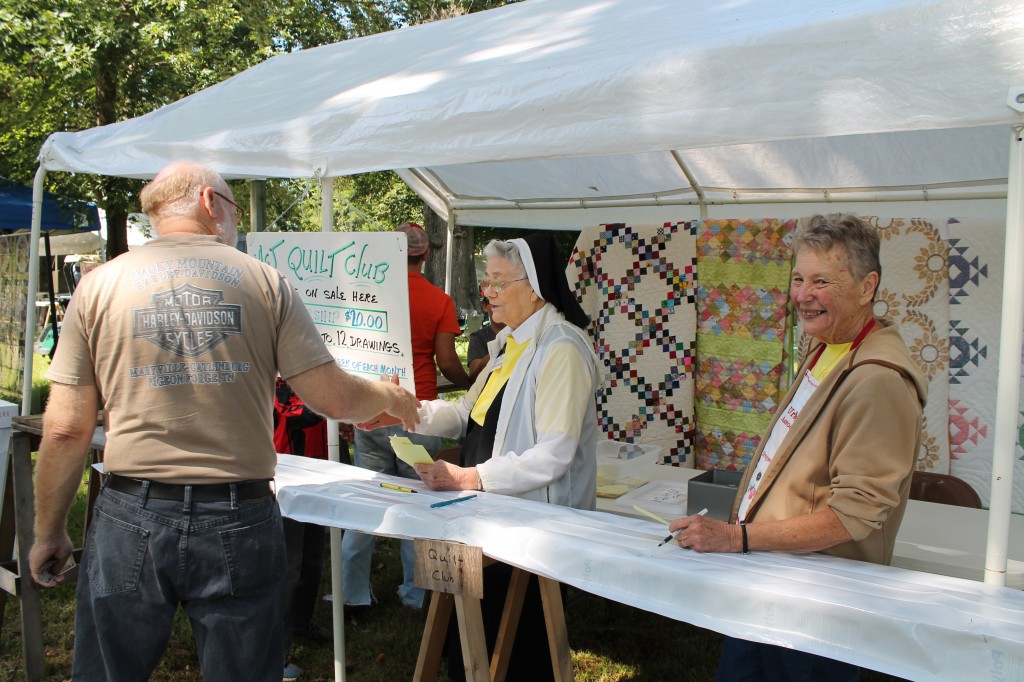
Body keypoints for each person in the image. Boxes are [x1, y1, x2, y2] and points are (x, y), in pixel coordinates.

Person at [27, 162, 420, 682]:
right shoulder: (264, 281)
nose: (232, 217)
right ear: (211, 202)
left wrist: (47, 531)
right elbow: (334, 398)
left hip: (130, 511)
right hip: (238, 513)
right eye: (232, 206)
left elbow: (65, 429)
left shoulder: (99, 285)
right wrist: (388, 394)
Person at [668, 213, 927, 682]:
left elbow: (855, 514)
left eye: (822, 281)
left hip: (816, 608)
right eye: (799, 279)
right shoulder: (829, 350)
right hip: (774, 587)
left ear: (868, 287)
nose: (804, 295)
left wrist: (736, 537)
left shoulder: (878, 381)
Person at [362, 234, 599, 681]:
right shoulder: (509, 344)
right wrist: (402, 409)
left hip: (531, 529)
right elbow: (464, 414)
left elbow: (555, 453)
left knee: (519, 654)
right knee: (471, 646)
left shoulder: (561, 348)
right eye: (485, 281)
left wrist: (471, 477)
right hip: (486, 516)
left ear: (534, 287)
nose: (486, 292)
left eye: (497, 282)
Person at [341, 221, 472, 610]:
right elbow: (448, 362)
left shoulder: (367, 295)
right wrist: (473, 381)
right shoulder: (438, 300)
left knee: (366, 499)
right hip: (419, 414)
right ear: (426, 254)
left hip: (371, 408)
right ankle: (417, 595)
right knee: (420, 503)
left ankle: (352, 593)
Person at [466, 296, 506, 381]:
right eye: (494, 305)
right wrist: (496, 354)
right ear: (484, 305)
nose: (500, 308)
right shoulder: (478, 337)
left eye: (504, 302)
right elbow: (473, 376)